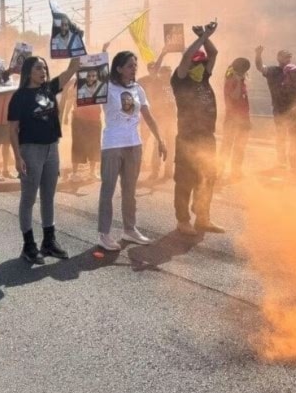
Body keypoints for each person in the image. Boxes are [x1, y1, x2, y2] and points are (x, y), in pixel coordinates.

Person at [8, 55, 79, 263]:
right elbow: (12, 130)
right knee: (29, 199)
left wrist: (75, 44)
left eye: (45, 69)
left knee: (48, 196)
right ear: (29, 71)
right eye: (39, 68)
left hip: (51, 148)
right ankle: (28, 245)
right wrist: (17, 157)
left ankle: (49, 242)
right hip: (30, 150)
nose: (43, 72)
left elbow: (72, 68)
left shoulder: (49, 88)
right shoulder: (19, 97)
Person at [96, 51, 167, 250]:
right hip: (112, 144)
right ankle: (104, 233)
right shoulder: (107, 87)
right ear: (118, 68)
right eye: (129, 65)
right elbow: (87, 93)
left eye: (135, 65)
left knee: (130, 190)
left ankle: (129, 229)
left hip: (134, 144)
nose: (134, 68)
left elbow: (148, 115)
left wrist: (160, 139)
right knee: (108, 190)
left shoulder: (138, 88)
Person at [171, 23, 224, 236]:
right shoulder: (180, 80)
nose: (201, 67)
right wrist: (199, 40)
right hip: (187, 139)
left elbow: (214, 52)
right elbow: (186, 58)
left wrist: (206, 35)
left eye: (203, 64)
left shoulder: (204, 77)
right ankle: (183, 221)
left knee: (208, 178)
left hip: (207, 138)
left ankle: (203, 218)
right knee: (185, 180)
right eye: (197, 64)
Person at [254, 46, 296, 171]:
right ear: (279, 58)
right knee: (281, 135)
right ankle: (281, 160)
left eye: (289, 57)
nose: (288, 59)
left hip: (293, 109)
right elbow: (260, 67)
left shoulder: (293, 71)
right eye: (286, 57)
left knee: (295, 135)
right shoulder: (273, 71)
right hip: (280, 109)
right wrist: (258, 54)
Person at [136, 48, 176, 181]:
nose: (168, 75)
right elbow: (155, 71)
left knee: (171, 144)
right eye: (166, 73)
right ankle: (155, 170)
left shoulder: (173, 84)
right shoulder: (157, 82)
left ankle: (169, 171)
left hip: (172, 119)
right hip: (159, 118)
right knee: (158, 144)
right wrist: (163, 53)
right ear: (161, 74)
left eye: (169, 73)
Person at [220, 57, 252, 182]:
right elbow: (234, 96)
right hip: (232, 119)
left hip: (243, 118)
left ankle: (236, 170)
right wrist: (238, 82)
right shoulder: (230, 80)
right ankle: (220, 168)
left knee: (240, 146)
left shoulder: (240, 80)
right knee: (227, 146)